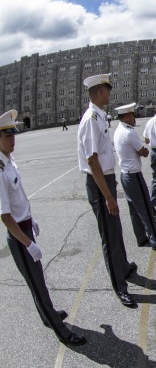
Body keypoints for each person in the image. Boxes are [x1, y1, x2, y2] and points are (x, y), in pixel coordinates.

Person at [0, 109, 87, 347]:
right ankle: (64, 333)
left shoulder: (9, 162)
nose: (12, 138)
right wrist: (27, 243)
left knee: (38, 281)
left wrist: (31, 219)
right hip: (19, 237)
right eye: (7, 135)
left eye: (13, 134)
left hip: (25, 228)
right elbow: (5, 216)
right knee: (37, 284)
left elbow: (18, 201)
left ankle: (46, 315)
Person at [78, 73, 137, 308]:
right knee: (109, 238)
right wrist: (108, 196)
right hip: (98, 183)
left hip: (106, 179)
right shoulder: (92, 119)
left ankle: (123, 267)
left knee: (116, 230)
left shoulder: (99, 116)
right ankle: (119, 286)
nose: (110, 94)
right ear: (101, 90)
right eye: (108, 89)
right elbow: (92, 161)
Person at [113, 102, 156, 252]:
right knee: (146, 209)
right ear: (127, 117)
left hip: (125, 174)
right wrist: (144, 152)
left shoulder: (118, 130)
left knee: (134, 209)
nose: (134, 118)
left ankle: (141, 238)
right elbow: (143, 151)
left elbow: (146, 144)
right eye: (133, 115)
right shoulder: (129, 132)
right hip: (134, 175)